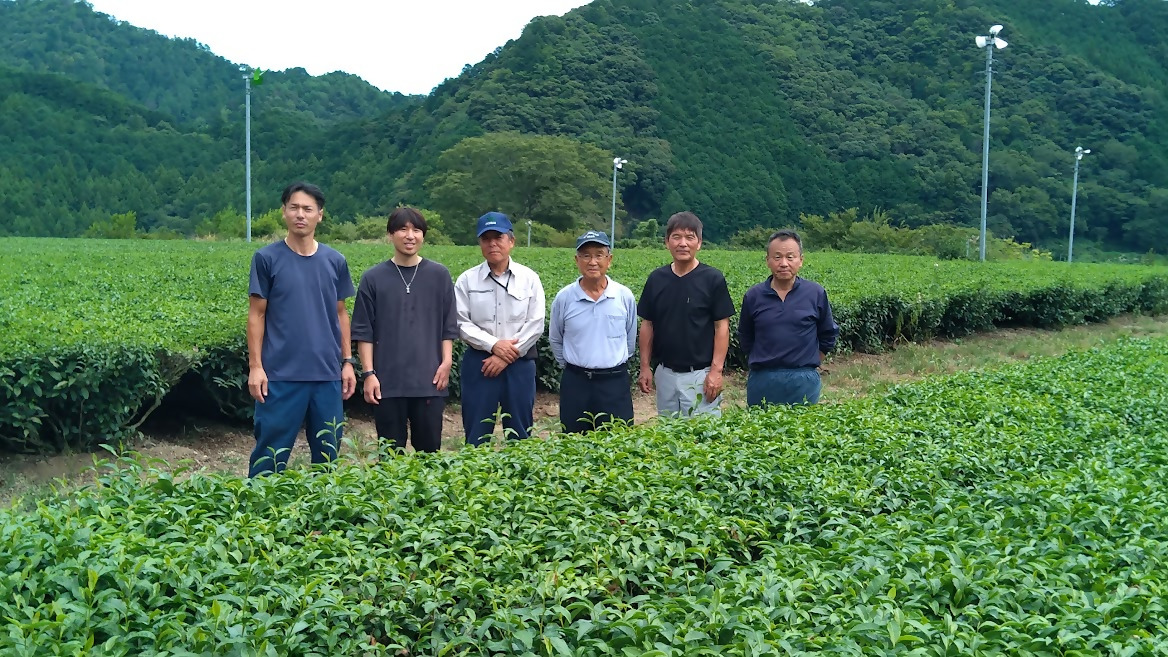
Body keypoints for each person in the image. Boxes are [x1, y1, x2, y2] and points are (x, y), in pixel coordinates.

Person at [246, 181, 357, 477]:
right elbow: (256, 315)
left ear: (320, 215)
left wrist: (347, 362)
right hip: (281, 376)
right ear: (283, 212)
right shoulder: (267, 259)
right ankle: (261, 516)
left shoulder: (335, 260)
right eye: (294, 207)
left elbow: (341, 313)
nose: (300, 215)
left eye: (308, 209)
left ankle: (323, 519)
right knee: (269, 457)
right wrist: (255, 366)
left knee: (328, 456)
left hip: (327, 375)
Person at [351, 207, 458, 453]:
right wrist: (368, 374)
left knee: (430, 454)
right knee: (389, 457)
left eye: (416, 230)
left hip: (429, 380)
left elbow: (448, 325)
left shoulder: (439, 275)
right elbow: (364, 331)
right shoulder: (373, 278)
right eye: (402, 229)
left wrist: (446, 362)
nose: (410, 236)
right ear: (390, 235)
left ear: (423, 236)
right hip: (387, 383)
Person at [454, 212, 546, 446]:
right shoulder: (467, 280)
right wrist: (493, 345)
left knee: (520, 434)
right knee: (476, 434)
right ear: (480, 243)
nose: (493, 243)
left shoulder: (529, 279)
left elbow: (535, 323)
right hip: (480, 363)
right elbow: (461, 322)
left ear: (511, 241)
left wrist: (506, 356)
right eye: (486, 239)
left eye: (499, 237)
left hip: (519, 363)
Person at [637, 211, 735, 417]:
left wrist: (716, 371)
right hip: (665, 373)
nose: (683, 243)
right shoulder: (656, 279)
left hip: (700, 374)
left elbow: (721, 326)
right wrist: (645, 366)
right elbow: (648, 324)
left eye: (689, 237)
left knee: (704, 438)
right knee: (668, 435)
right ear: (667, 242)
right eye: (676, 237)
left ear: (699, 243)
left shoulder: (712, 279)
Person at [738, 229, 839, 406]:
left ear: (801, 260)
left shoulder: (815, 293)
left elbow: (828, 334)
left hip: (803, 380)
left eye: (790, 257)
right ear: (767, 261)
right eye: (777, 257)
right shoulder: (753, 296)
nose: (783, 263)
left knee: (803, 431)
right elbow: (746, 337)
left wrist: (810, 361)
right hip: (763, 379)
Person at [549, 230, 637, 433]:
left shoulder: (624, 296)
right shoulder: (565, 298)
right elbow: (556, 339)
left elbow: (630, 339)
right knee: (574, 445)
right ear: (577, 260)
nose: (592, 261)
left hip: (614, 382)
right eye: (586, 255)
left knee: (618, 444)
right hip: (576, 382)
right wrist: (574, 368)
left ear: (609, 259)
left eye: (599, 254)